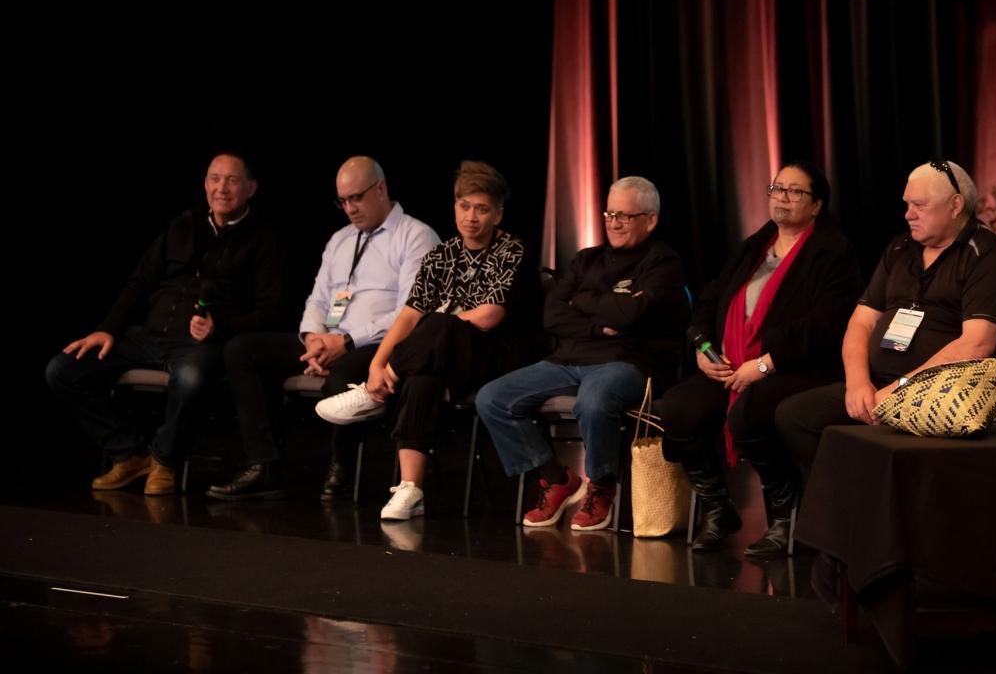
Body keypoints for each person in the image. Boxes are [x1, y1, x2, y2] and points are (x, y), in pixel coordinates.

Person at [45, 151, 284, 496]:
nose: (221, 188)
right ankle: (128, 454)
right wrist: (108, 329)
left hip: (200, 344)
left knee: (190, 377)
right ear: (205, 184)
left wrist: (220, 326)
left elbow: (272, 311)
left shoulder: (263, 239)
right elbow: (140, 281)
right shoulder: (182, 225)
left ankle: (164, 460)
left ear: (251, 187)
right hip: (150, 335)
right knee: (63, 370)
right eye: (214, 179)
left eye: (232, 180)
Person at [313, 160, 539, 520]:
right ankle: (411, 489)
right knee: (421, 378)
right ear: (454, 206)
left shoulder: (512, 250)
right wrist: (376, 364)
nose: (471, 217)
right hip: (443, 356)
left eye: (482, 209)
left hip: (497, 355)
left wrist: (436, 329)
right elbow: (407, 316)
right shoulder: (442, 255)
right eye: (464, 206)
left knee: (438, 324)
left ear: (497, 214)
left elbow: (488, 316)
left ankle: (373, 395)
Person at [205, 156, 439, 500]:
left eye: (356, 198)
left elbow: (410, 312)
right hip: (330, 339)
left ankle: (342, 467)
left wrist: (346, 341)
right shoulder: (340, 239)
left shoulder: (415, 236)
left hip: (379, 344)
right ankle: (264, 464)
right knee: (241, 350)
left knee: (341, 376)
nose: (350, 209)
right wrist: (313, 338)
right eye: (342, 201)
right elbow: (318, 299)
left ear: (381, 189)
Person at [658, 161, 861, 554]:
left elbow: (826, 324)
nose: (782, 197)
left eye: (794, 191)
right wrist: (702, 346)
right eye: (777, 188)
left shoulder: (833, 252)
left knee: (749, 413)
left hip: (798, 367)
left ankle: (787, 516)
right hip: (733, 363)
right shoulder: (755, 246)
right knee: (678, 407)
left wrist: (766, 363)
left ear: (816, 205)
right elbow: (711, 298)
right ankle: (718, 507)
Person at [775, 160, 996, 477]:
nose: (908, 214)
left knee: (883, 442)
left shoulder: (986, 253)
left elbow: (977, 344)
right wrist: (857, 383)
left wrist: (901, 390)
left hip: (942, 395)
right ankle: (849, 503)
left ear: (955, 205)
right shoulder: (900, 248)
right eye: (907, 204)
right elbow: (861, 322)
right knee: (795, 416)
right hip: (878, 386)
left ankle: (871, 500)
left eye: (919, 205)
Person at [474, 176, 690, 531]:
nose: (614, 223)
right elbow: (552, 315)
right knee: (492, 397)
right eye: (610, 214)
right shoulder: (586, 259)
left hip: (628, 361)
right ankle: (554, 478)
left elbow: (630, 315)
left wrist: (583, 301)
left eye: (625, 216)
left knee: (594, 399)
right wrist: (600, 323)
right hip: (569, 359)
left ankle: (602, 486)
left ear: (650, 220)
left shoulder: (663, 263)